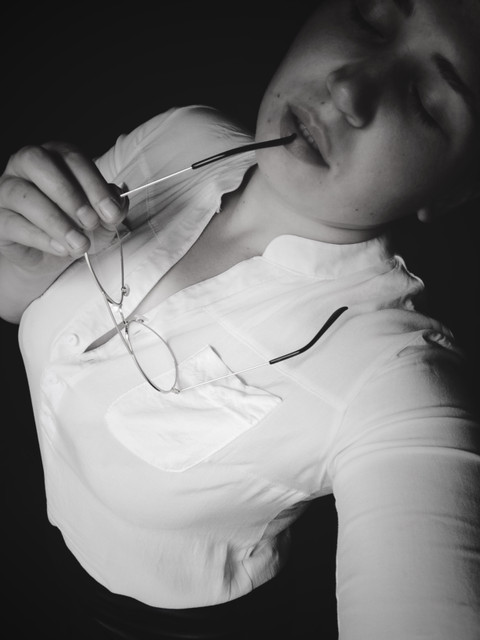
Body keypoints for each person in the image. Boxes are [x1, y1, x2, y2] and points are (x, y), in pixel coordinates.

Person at [1, 1, 480, 638]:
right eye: (369, 20)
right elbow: (15, 301)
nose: (349, 86)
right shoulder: (179, 136)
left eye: (424, 100)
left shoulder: (396, 379)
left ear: (452, 190)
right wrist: (19, 251)